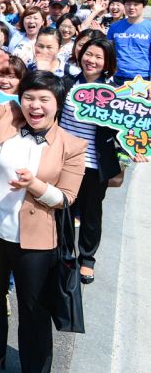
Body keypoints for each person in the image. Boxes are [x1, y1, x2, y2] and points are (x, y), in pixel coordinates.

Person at [0, 50, 85, 373]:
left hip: (36, 241)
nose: (35, 106)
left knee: (34, 309)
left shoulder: (72, 146)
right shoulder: (10, 116)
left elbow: (67, 198)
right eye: (28, 97)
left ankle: (35, 366)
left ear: (57, 103)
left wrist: (34, 185)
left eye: (43, 99)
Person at [60, 38, 121, 285]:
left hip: (95, 164)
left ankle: (87, 259)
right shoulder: (66, 84)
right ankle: (64, 255)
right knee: (62, 210)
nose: (91, 60)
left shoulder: (115, 93)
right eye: (88, 54)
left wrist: (133, 147)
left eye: (98, 57)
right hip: (64, 160)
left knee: (91, 213)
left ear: (107, 63)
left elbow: (124, 130)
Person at [107, 0, 151, 84]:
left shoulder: (149, 27)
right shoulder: (114, 27)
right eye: (128, 4)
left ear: (143, 6)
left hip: (143, 78)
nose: (131, 7)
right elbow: (109, 51)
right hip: (118, 77)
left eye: (136, 4)